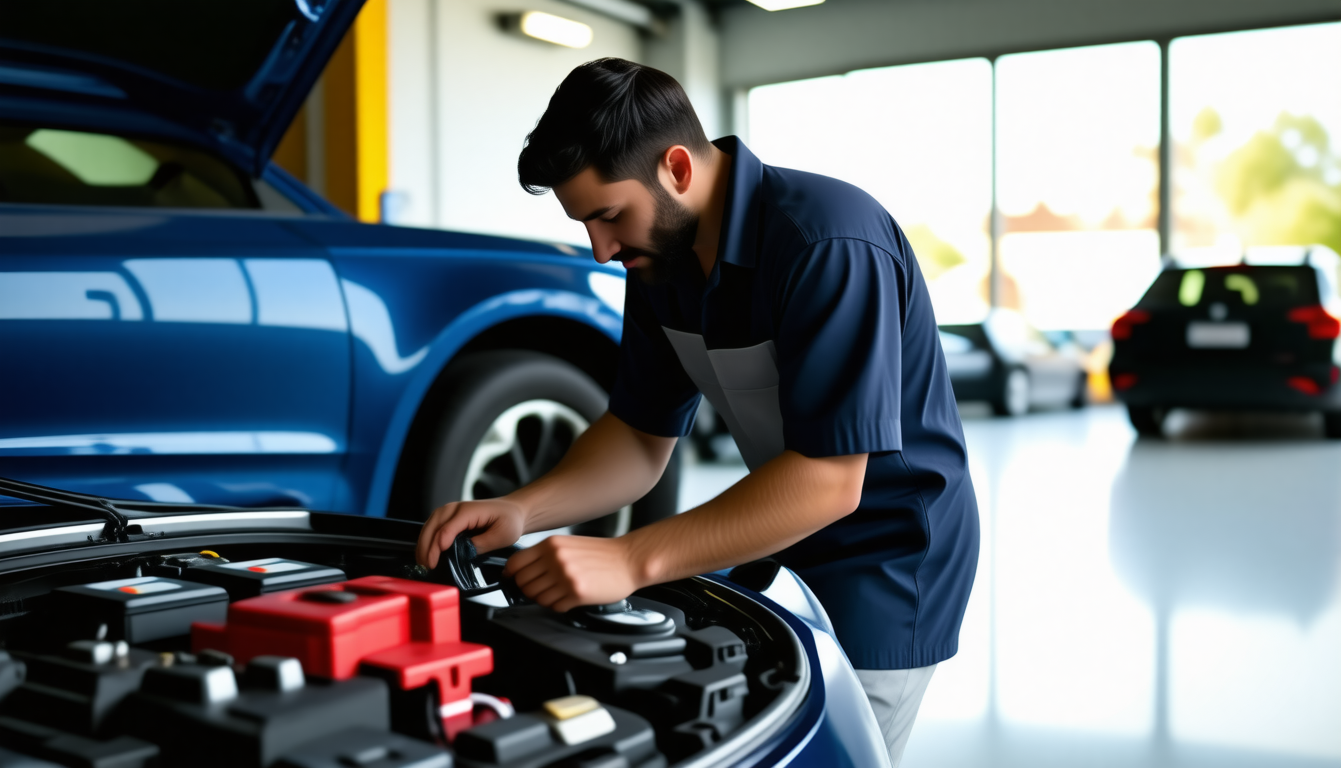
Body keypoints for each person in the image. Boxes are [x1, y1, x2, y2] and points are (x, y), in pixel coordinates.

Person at [416, 57, 979, 765]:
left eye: (608, 215)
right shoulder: (661, 261)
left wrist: (629, 558)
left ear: (676, 168)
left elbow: (831, 480)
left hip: (889, 561)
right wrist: (525, 509)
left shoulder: (827, 242)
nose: (601, 248)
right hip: (782, 540)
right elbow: (637, 434)